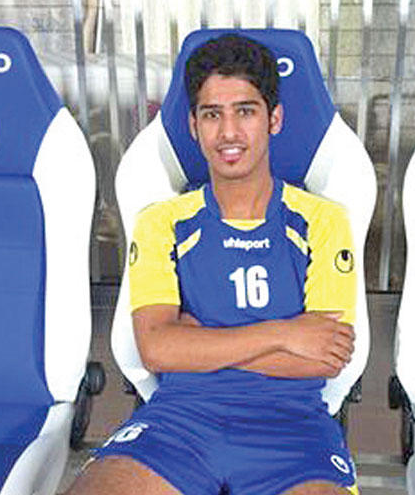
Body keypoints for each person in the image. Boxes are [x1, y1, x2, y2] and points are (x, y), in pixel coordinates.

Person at [69, 34, 358, 495]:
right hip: (179, 421)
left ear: (274, 119)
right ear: (193, 124)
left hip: (291, 427)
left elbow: (324, 358)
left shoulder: (322, 221)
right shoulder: (162, 222)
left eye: (245, 111)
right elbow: (156, 351)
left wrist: (197, 341)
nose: (228, 133)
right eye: (211, 114)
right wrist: (284, 332)